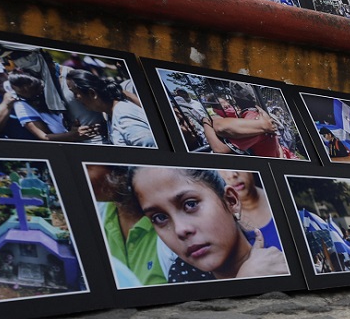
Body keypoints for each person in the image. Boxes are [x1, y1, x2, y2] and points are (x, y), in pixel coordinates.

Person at [126, 166, 288, 282]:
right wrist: (245, 282)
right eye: (160, 218)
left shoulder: (298, 247)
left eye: (190, 204)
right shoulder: (181, 280)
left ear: (231, 201)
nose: (181, 230)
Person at [64, 69, 157, 148]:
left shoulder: (124, 116)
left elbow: (149, 144)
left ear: (92, 93)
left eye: (76, 93)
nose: (75, 98)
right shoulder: (112, 112)